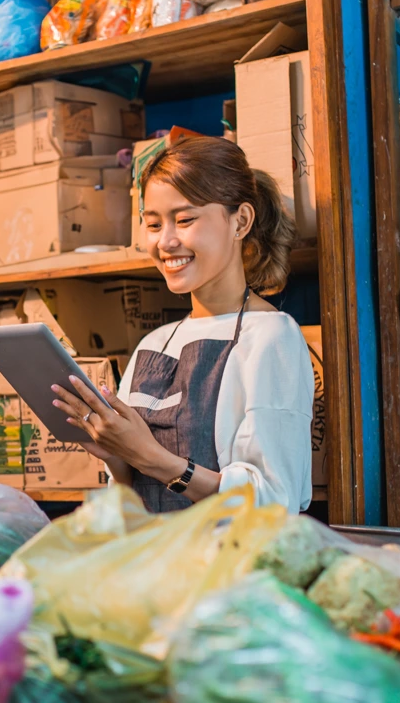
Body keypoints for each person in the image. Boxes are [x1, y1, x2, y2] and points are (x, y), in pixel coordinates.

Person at [51, 136, 315, 513]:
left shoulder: (272, 336)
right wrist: (116, 456)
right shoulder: (151, 345)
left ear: (240, 221)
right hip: (156, 562)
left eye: (185, 220)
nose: (166, 241)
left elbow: (273, 500)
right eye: (153, 224)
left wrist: (151, 458)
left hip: (228, 566)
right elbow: (131, 494)